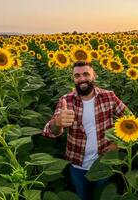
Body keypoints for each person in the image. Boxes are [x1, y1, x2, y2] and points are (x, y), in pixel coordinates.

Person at [42, 61, 129, 200]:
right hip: (77, 165)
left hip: (103, 163)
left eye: (86, 74)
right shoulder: (66, 100)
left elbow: (131, 120)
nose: (82, 78)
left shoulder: (109, 96)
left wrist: (118, 144)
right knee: (82, 196)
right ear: (73, 79)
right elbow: (49, 131)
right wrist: (57, 123)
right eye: (77, 75)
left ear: (94, 75)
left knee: (101, 195)